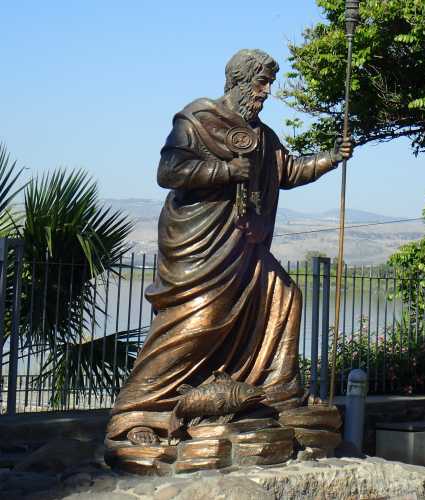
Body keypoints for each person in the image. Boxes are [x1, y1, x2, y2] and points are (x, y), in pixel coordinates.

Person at [106, 49, 352, 447]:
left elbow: (287, 171)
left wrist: (330, 158)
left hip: (244, 245)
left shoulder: (264, 136)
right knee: (197, 322)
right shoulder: (198, 119)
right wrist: (223, 170)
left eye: (269, 84)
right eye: (261, 83)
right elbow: (168, 172)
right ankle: (140, 410)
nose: (266, 92)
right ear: (238, 81)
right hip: (201, 245)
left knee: (284, 296)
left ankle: (274, 395)